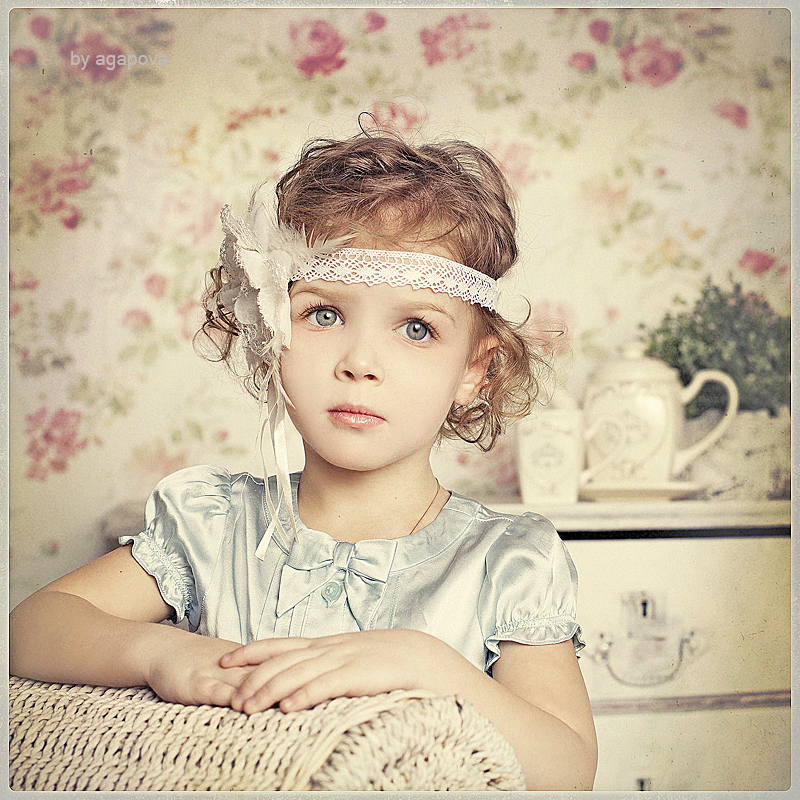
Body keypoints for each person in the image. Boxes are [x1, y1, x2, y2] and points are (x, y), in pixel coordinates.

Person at [10, 129, 597, 790]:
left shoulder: (504, 562)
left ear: (474, 369)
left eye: (416, 328)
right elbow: (30, 628)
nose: (360, 362)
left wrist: (430, 665)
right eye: (323, 315)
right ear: (271, 330)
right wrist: (160, 651)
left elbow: (570, 772)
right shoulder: (214, 526)